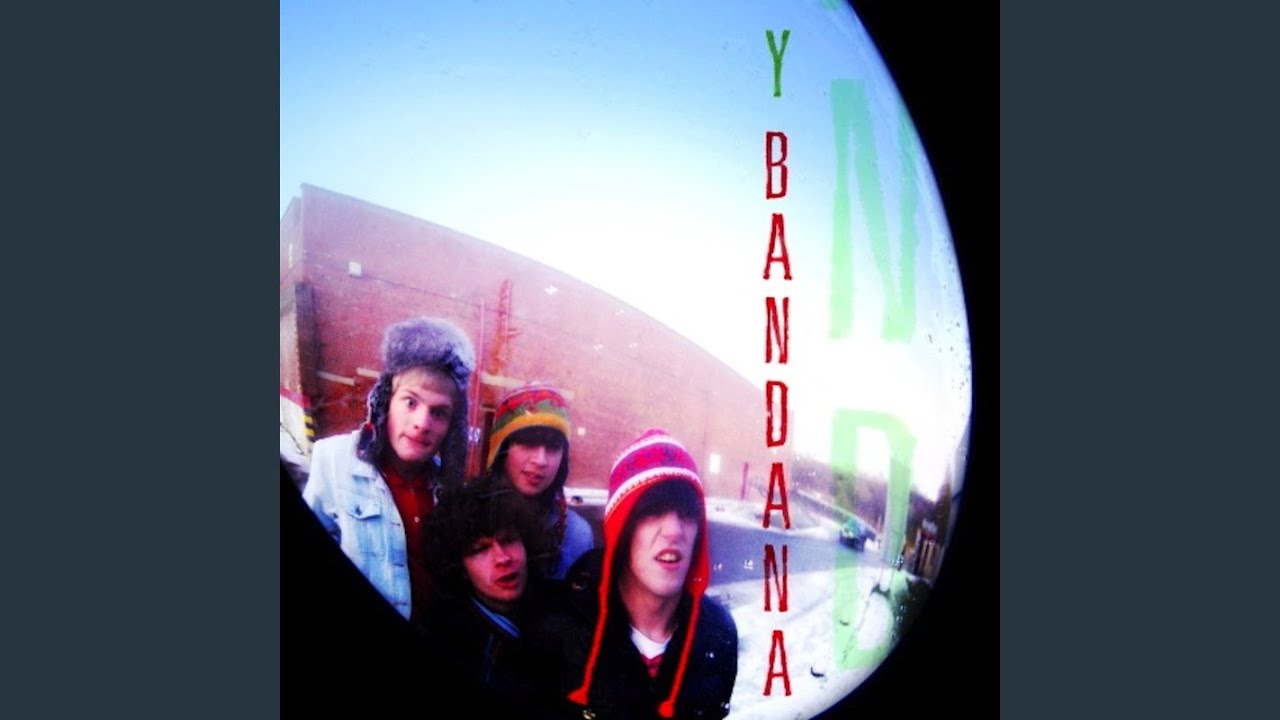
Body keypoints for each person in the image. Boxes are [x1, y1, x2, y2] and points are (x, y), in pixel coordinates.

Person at [532, 429, 739, 719]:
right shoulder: (561, 628)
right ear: (622, 530)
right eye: (652, 512)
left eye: (687, 513)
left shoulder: (716, 634)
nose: (674, 530)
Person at [301, 315, 475, 625]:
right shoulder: (333, 460)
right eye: (411, 402)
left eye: (439, 413)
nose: (422, 423)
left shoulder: (447, 490)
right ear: (385, 402)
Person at [420, 476, 563, 714]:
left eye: (509, 540)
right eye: (481, 549)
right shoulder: (447, 640)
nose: (502, 558)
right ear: (459, 567)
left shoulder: (562, 610)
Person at [483, 384, 594, 579]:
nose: (541, 460)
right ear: (501, 450)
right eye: (528, 443)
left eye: (553, 447)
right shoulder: (468, 521)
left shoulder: (577, 535)